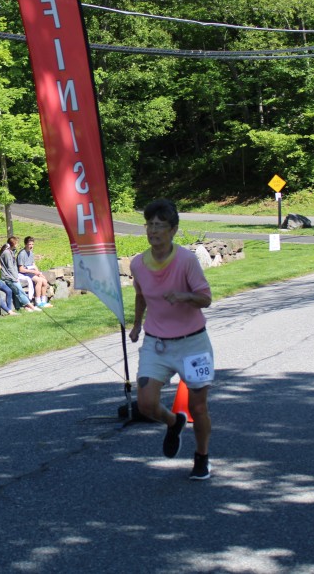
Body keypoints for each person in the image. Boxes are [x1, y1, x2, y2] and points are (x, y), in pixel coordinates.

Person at [128, 199, 215, 480]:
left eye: (160, 225)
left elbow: (206, 298)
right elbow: (141, 295)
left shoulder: (186, 260)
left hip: (193, 343)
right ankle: (173, 422)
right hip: (157, 343)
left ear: (173, 230)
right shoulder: (138, 264)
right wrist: (137, 325)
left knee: (198, 407)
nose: (153, 231)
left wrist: (184, 296)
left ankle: (202, 456)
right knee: (145, 404)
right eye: (149, 225)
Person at [0, 240, 39, 313]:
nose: (17, 244)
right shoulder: (7, 253)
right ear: (13, 243)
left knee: (19, 290)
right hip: (8, 277)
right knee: (19, 290)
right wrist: (15, 277)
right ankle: (31, 306)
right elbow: (10, 267)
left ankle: (24, 307)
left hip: (13, 276)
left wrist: (16, 276)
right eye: (16, 243)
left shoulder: (11, 251)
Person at [17, 236, 53, 308]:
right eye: (29, 244)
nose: (31, 246)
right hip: (24, 273)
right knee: (39, 281)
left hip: (31, 272)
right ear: (25, 244)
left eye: (32, 244)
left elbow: (33, 264)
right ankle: (38, 301)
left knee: (44, 281)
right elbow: (21, 269)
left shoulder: (31, 253)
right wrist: (33, 272)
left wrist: (39, 273)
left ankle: (43, 301)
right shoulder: (22, 254)